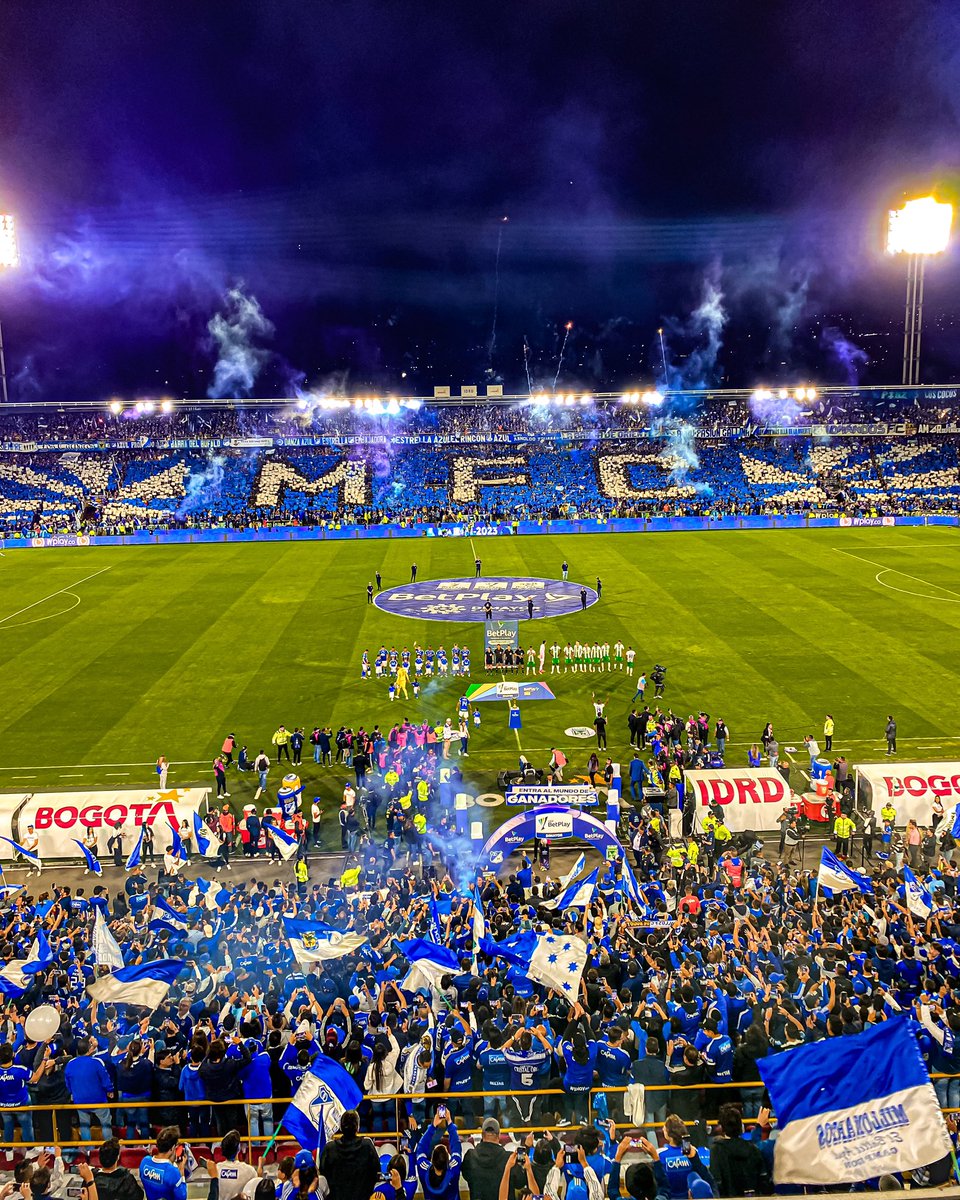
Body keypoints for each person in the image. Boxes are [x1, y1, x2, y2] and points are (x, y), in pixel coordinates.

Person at [709, 1104, 770, 1198]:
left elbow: (716, 1182)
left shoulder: (716, 1150)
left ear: (722, 1128)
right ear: (741, 1126)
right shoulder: (753, 1148)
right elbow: (763, 1180)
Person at [317, 1109, 380, 1200]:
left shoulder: (330, 1148)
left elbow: (322, 1175)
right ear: (357, 1127)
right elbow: (377, 1171)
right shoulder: (367, 1146)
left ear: (341, 1127)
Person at [64, 1036, 113, 1144]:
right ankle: (109, 1146)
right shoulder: (96, 1062)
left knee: (84, 1124)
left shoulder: (70, 1063)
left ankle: (88, 1151)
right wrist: (110, 1090)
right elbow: (105, 1079)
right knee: (106, 1123)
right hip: (98, 1100)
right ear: (90, 1049)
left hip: (80, 1101)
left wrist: (74, 1093)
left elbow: (68, 1084)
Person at [415, 1108, 462, 1200]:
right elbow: (456, 1146)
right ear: (448, 1160)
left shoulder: (423, 1169)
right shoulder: (453, 1169)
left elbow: (421, 1148)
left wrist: (433, 1126)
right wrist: (449, 1122)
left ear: (432, 1159)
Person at [463, 1118, 511, 1200]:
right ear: (499, 1135)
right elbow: (519, 1182)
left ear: (482, 1135)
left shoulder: (470, 1156)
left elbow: (466, 1175)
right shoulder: (509, 1159)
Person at [202, 1131, 257, 1200]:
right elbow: (256, 1187)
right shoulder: (249, 1170)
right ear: (238, 1148)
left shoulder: (215, 1169)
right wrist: (260, 1166)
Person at [139, 1126, 187, 1200]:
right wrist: (181, 1172)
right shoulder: (172, 1171)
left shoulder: (144, 1162)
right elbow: (182, 1197)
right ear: (172, 1147)